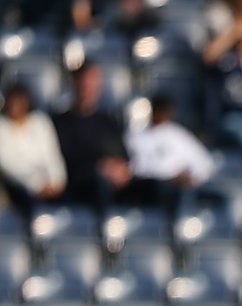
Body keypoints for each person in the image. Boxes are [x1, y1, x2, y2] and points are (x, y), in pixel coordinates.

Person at [52, 62, 133, 216]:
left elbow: (122, 156)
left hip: (112, 184)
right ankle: (102, 228)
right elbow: (66, 159)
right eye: (83, 81)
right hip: (79, 184)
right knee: (99, 181)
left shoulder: (109, 121)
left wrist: (120, 169)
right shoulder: (60, 122)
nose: (87, 87)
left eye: (92, 81)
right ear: (74, 83)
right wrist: (100, 167)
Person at [124, 94, 215, 220]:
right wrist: (165, 177)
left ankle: (179, 228)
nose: (163, 114)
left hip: (176, 188)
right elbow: (134, 168)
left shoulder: (179, 135)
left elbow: (204, 163)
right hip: (146, 186)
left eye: (165, 110)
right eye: (159, 110)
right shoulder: (135, 135)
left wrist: (190, 177)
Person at [0, 83, 67, 222]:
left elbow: (52, 155)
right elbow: (8, 164)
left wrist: (56, 181)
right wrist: (36, 185)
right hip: (17, 188)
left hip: (49, 186)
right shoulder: (2, 127)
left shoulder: (40, 123)